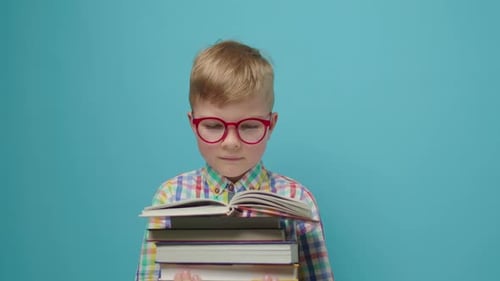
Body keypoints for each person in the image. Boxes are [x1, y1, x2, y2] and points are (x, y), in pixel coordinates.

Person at [135, 40, 334, 281]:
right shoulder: (169, 198)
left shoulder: (298, 200)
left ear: (270, 125)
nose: (231, 142)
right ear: (192, 123)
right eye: (213, 125)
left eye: (250, 126)